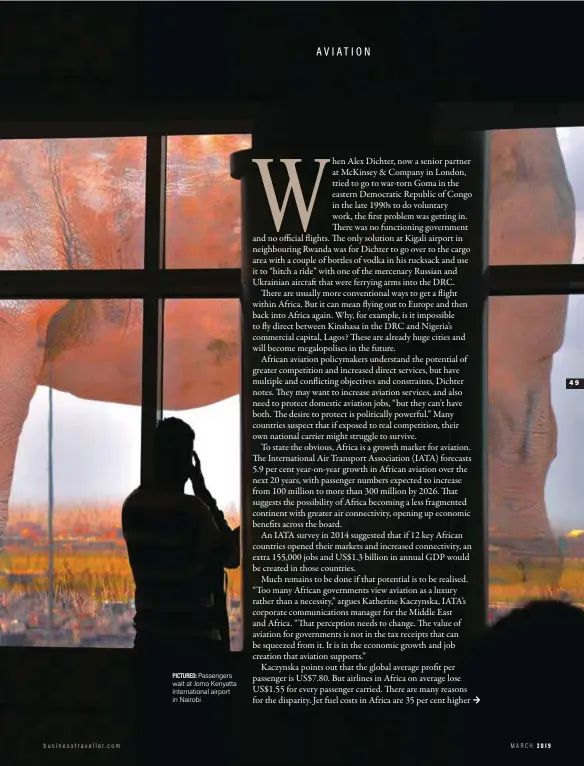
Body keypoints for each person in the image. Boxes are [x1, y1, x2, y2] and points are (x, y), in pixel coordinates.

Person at [122, 416, 240, 651]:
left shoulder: (132, 506)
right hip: (193, 644)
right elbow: (232, 557)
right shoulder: (193, 510)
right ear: (187, 461)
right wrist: (203, 493)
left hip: (150, 642)